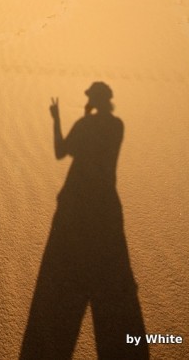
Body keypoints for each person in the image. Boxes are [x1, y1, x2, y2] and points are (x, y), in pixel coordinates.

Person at [20, 82, 148, 359]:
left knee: (64, 269)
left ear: (92, 99)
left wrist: (56, 120)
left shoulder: (85, 125)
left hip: (76, 204)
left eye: (89, 97)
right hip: (106, 205)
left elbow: (60, 152)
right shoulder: (117, 126)